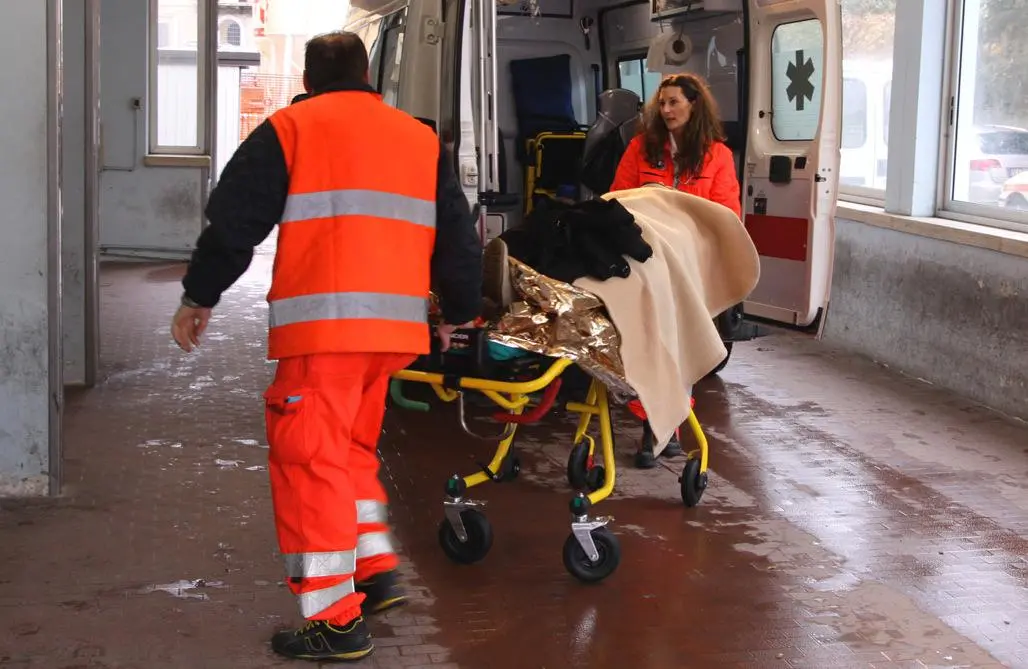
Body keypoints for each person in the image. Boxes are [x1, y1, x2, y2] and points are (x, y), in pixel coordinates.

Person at [169, 31, 482, 663]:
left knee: (309, 463)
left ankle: (336, 620)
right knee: (346, 453)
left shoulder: (292, 128)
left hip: (325, 335)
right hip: (393, 338)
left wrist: (200, 296)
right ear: (369, 76)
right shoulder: (421, 139)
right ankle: (372, 573)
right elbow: (458, 235)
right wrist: (458, 315)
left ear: (309, 80)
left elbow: (233, 221)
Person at [610, 72, 742, 468]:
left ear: (694, 104)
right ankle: (654, 420)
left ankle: (662, 427)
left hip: (690, 268)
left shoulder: (718, 156)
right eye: (662, 103)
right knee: (646, 342)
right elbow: (616, 201)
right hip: (645, 264)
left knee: (680, 349)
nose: (665, 110)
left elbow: (725, 215)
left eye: (674, 103)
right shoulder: (639, 149)